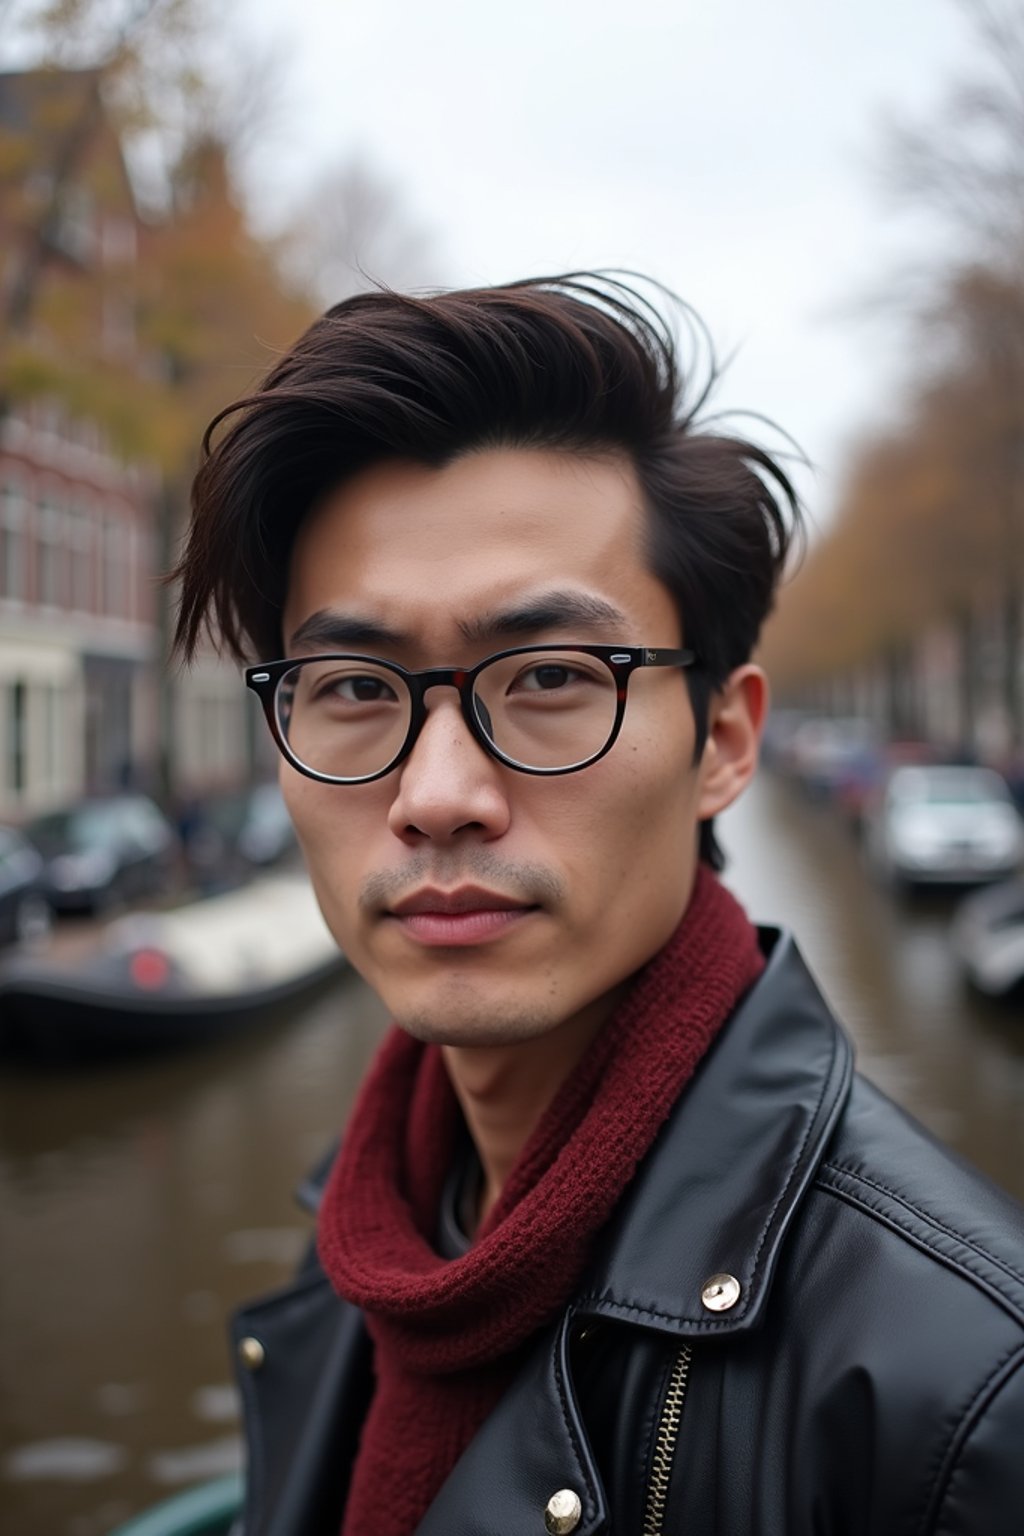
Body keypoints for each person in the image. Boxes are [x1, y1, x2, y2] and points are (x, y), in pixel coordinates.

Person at [173, 276, 1024, 1536]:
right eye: (352, 686)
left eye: (553, 677)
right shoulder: (367, 1236)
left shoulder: (961, 1397)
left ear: (725, 742)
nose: (438, 795)